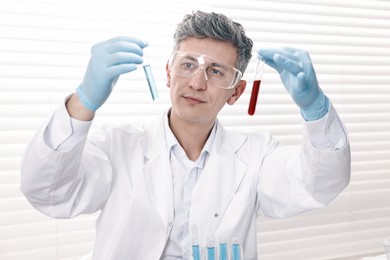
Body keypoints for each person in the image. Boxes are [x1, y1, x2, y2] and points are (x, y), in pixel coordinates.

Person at [21, 10, 351, 260]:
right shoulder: (116, 146)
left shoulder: (256, 155)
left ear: (235, 93)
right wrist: (83, 101)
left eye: (216, 71)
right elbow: (49, 192)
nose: (196, 82)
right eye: (188, 64)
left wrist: (315, 109)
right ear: (167, 72)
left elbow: (316, 184)